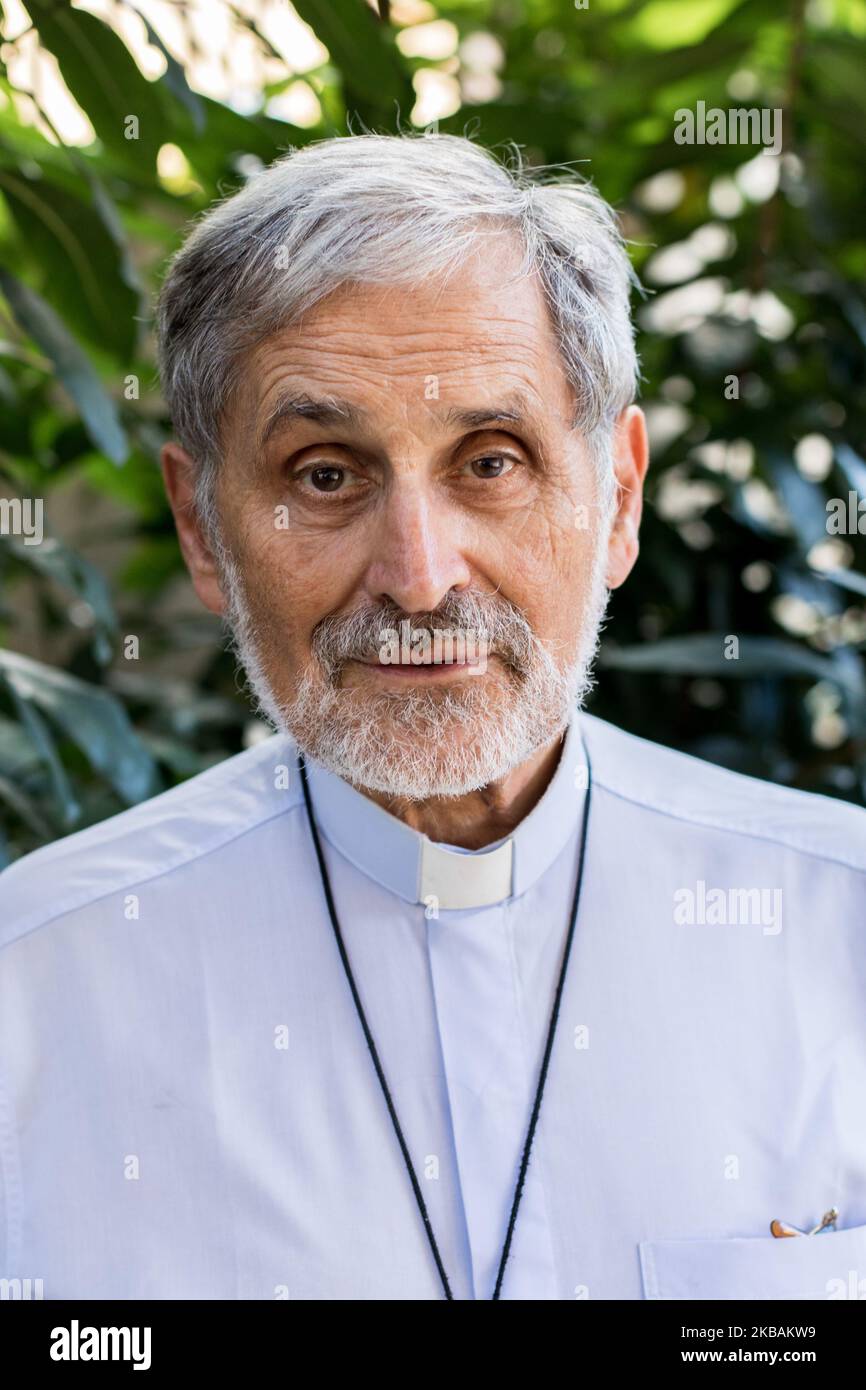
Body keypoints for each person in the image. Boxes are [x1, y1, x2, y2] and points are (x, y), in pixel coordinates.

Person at [1, 134, 864, 1302]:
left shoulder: (836, 925)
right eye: (323, 474)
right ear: (203, 530)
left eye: (491, 460)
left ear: (615, 498)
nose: (417, 574)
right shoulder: (35, 987)